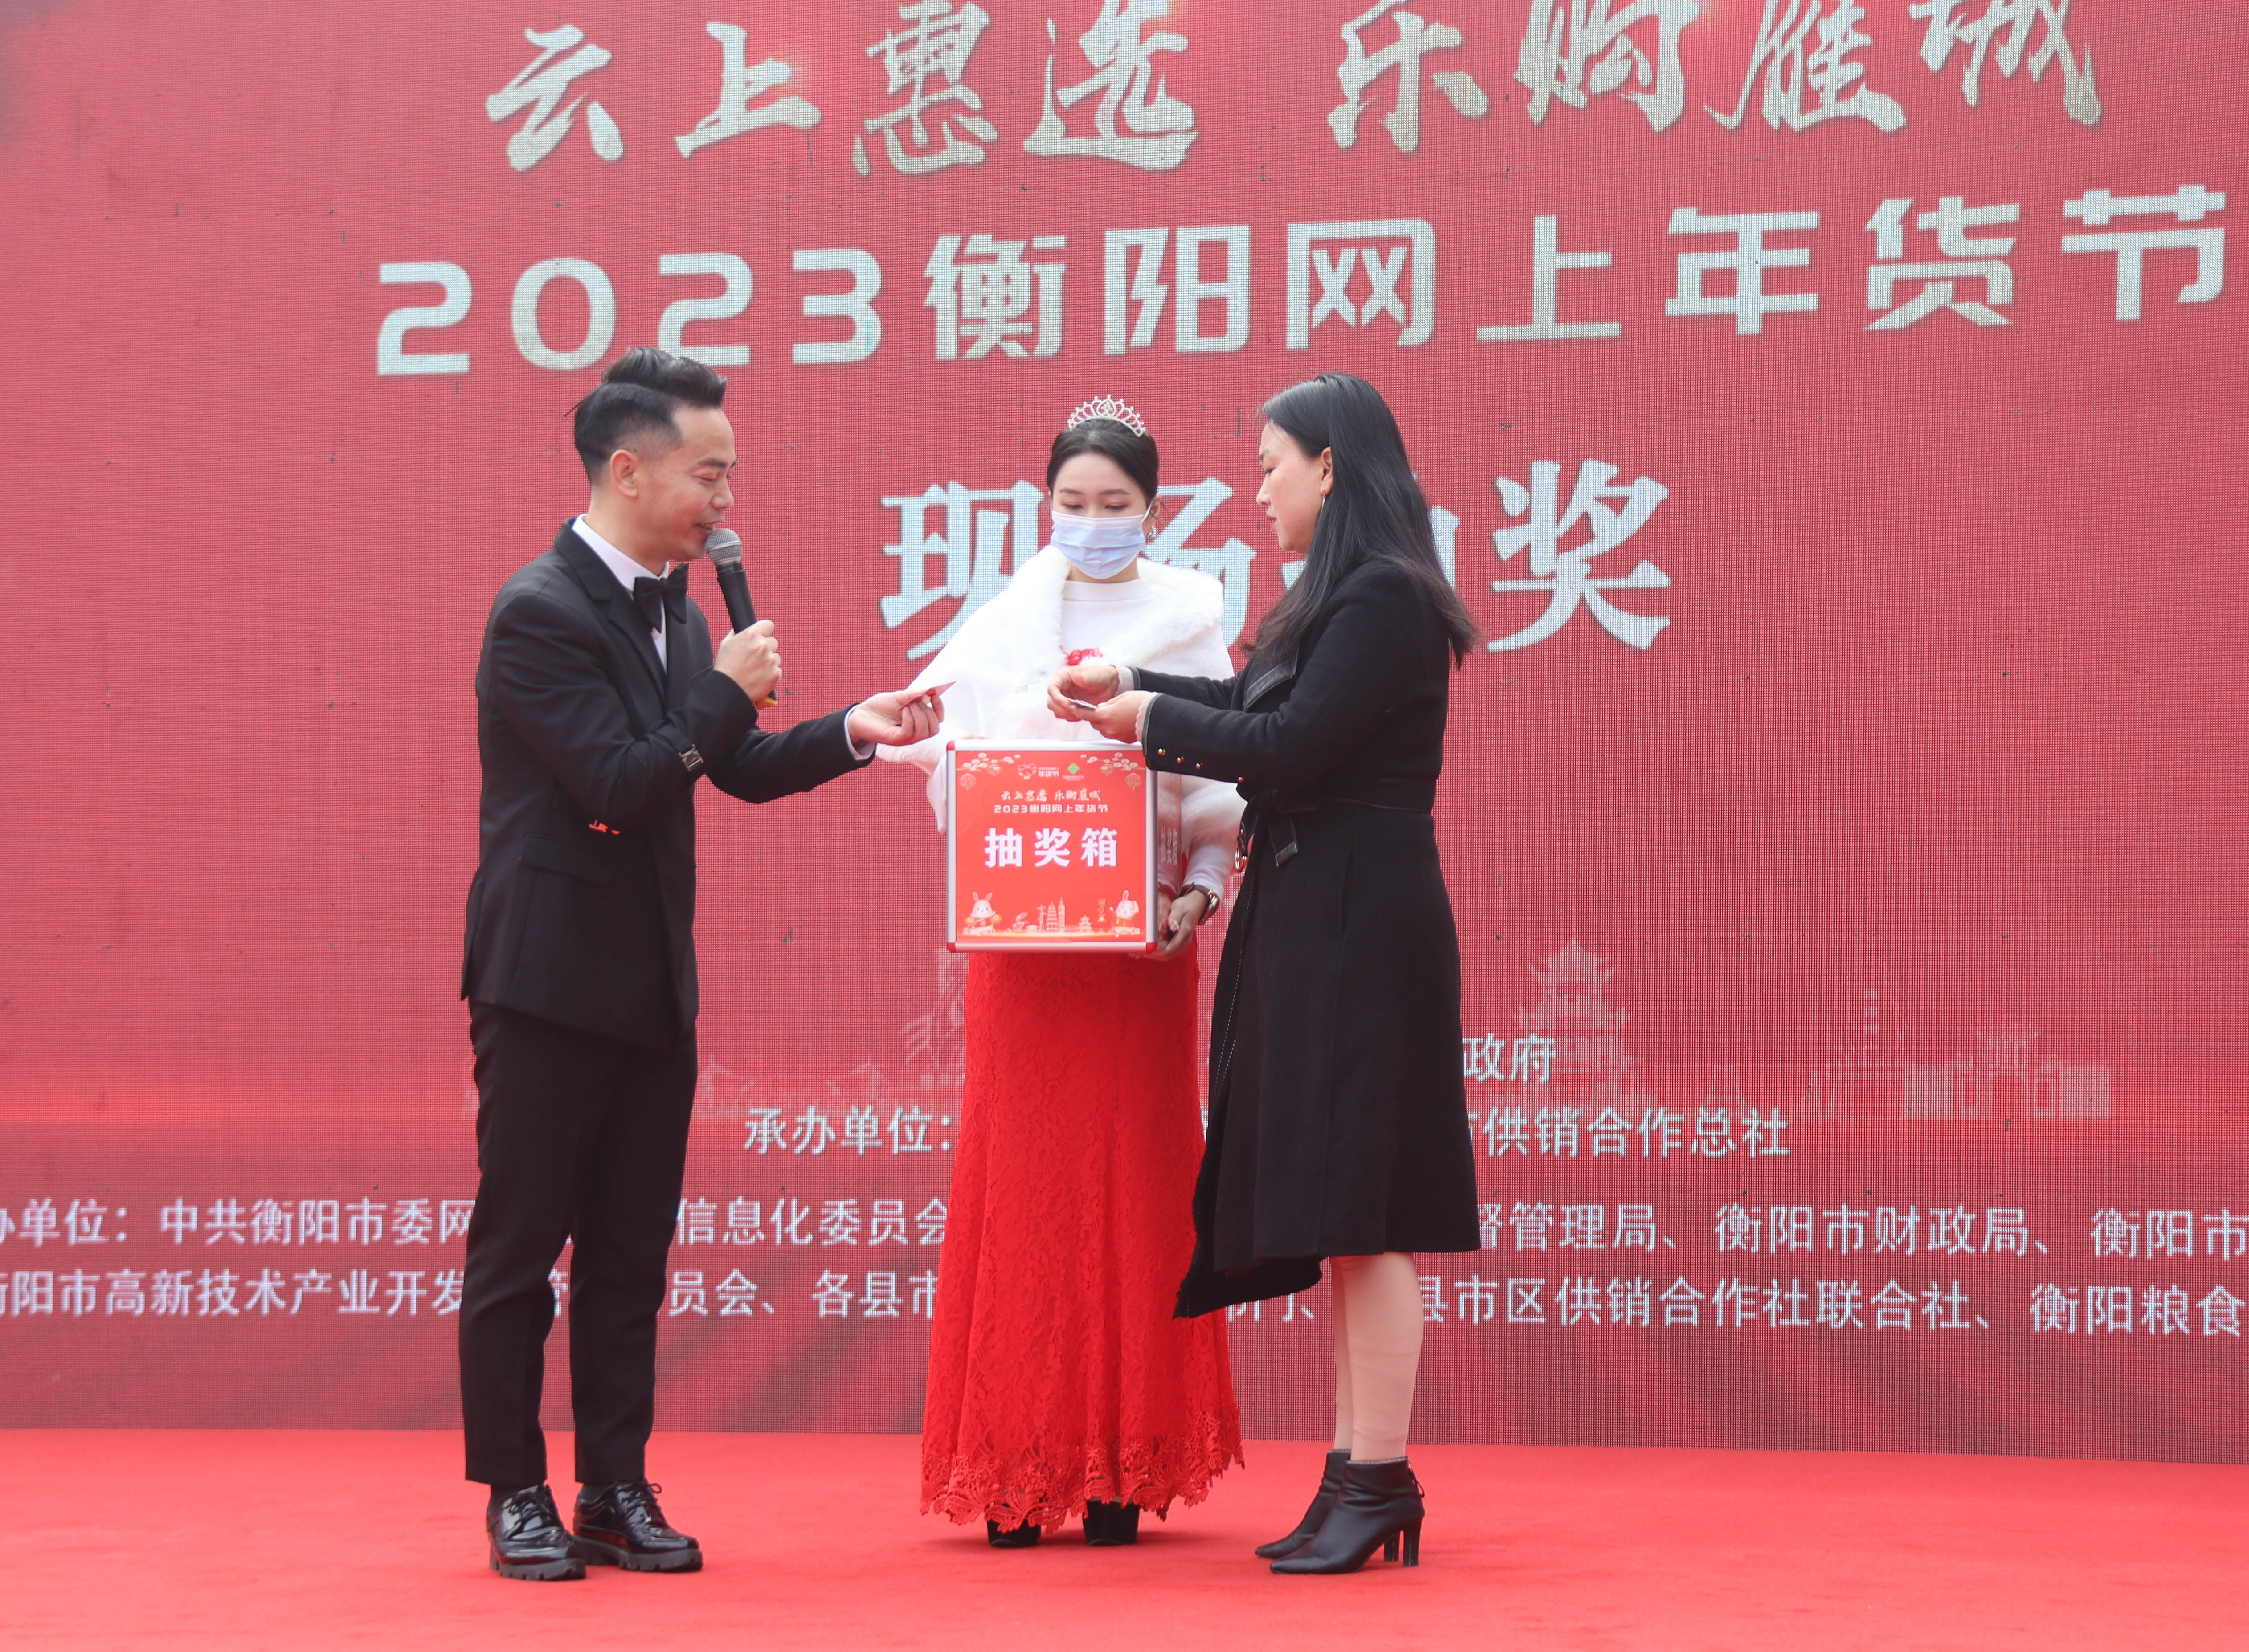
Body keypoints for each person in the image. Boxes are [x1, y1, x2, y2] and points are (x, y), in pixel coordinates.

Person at [460, 347, 941, 1581]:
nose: (726, 500)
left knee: (630, 1254)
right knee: (522, 1250)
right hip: (544, 982)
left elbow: (728, 766)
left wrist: (850, 732)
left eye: (730, 475)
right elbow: (620, 787)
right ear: (627, 471)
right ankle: (515, 1491)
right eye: (707, 474)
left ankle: (614, 1486)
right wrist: (724, 694)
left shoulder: (676, 611)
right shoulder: (539, 611)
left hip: (649, 987)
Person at [1049, 373, 1481, 1575]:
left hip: (1360, 920)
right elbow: (1249, 701)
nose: (1260, 492)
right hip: (1318, 910)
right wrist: (1130, 695)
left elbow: (1289, 745)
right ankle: (1356, 1475)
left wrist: (1148, 720)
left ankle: (1378, 1476)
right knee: (1348, 1211)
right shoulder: (1338, 596)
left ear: (1330, 467)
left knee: (1372, 1213)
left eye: (1271, 468)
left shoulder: (1384, 595)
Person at [881, 398, 1244, 1548]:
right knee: (1024, 1188)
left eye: (1114, 504)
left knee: (1136, 1185)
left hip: (1140, 953)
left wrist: (1200, 889)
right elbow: (955, 760)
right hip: (1027, 954)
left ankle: (1122, 1465)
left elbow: (1217, 780)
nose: (1092, 522)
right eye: (1072, 502)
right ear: (1045, 504)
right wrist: (946, 740)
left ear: (1154, 508)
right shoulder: (1001, 622)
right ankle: (1016, 1460)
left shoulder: (1189, 616)